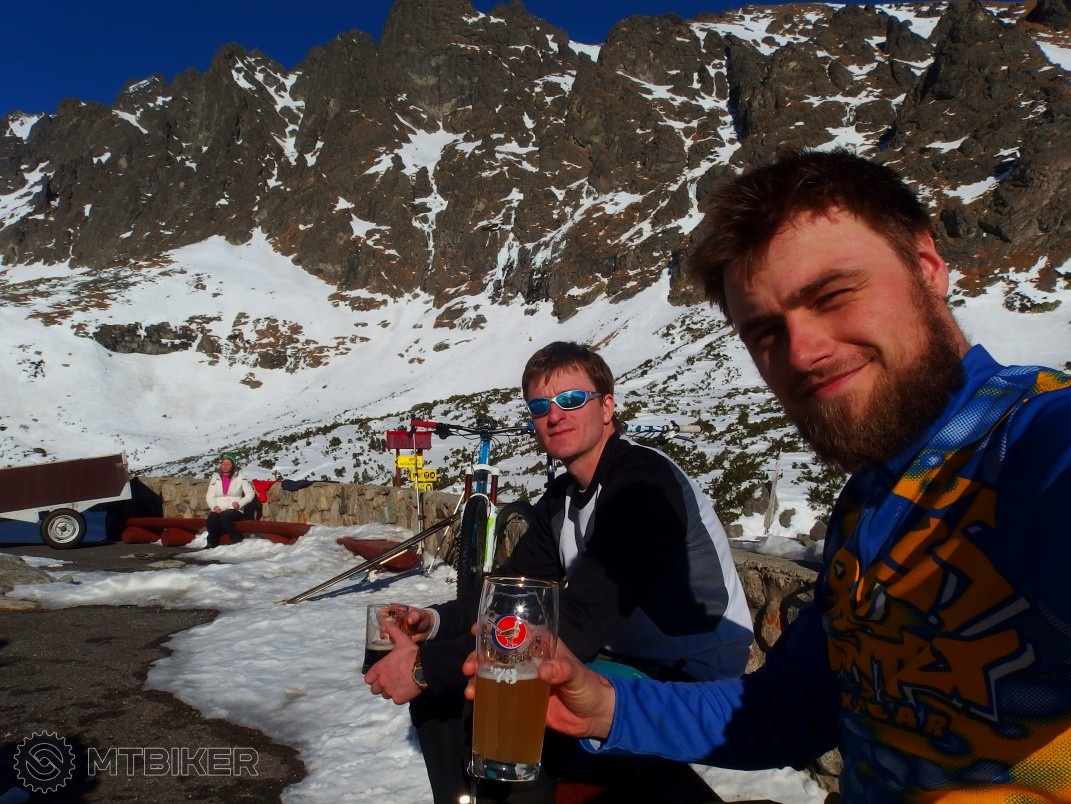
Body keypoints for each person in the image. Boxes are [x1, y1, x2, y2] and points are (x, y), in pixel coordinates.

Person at [492, 149, 1071, 802]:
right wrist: (604, 708)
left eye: (832, 295)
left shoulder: (1025, 443)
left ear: (927, 267)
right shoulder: (868, 504)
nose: (802, 352)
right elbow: (791, 709)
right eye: (766, 332)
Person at [365, 341, 754, 802]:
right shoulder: (561, 499)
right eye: (540, 406)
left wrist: (425, 668)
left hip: (688, 671)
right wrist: (431, 623)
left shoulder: (644, 485)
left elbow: (579, 620)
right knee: (453, 695)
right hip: (618, 654)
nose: (554, 415)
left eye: (571, 399)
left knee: (523, 708)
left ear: (606, 407)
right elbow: (508, 594)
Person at [204, 453, 256, 548]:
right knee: (212, 518)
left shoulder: (240, 477)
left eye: (228, 464)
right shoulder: (215, 477)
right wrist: (214, 506)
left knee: (224, 516)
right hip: (219, 508)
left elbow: (250, 494)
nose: (225, 466)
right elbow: (209, 496)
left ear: (233, 465)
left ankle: (236, 538)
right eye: (223, 463)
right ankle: (211, 542)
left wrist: (239, 503)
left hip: (235, 509)